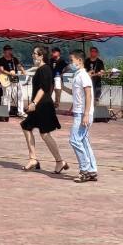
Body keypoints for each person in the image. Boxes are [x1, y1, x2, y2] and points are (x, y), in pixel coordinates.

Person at [21, 46, 69, 174]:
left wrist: (34, 103)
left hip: (43, 106)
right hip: (38, 106)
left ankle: (59, 161)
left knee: (45, 134)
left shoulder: (45, 69)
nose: (33, 55)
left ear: (41, 56)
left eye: (35, 53)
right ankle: (33, 159)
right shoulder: (40, 69)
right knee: (26, 126)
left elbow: (43, 88)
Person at [67, 50, 98, 183]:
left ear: (79, 61)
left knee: (74, 140)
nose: (71, 63)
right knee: (84, 141)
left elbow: (88, 95)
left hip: (82, 113)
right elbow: (76, 94)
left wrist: (86, 114)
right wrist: (61, 87)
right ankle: (92, 169)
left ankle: (84, 169)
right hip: (80, 112)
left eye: (72, 60)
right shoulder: (78, 75)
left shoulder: (83, 76)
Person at [0, 45, 24, 115]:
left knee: (18, 94)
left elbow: (19, 66)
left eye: (11, 50)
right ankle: (5, 111)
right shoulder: (1, 60)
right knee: (6, 95)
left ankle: (20, 111)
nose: (10, 51)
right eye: (9, 50)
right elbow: (1, 70)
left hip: (14, 78)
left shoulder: (14, 59)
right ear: (5, 51)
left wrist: (23, 70)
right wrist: (10, 73)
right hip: (6, 78)